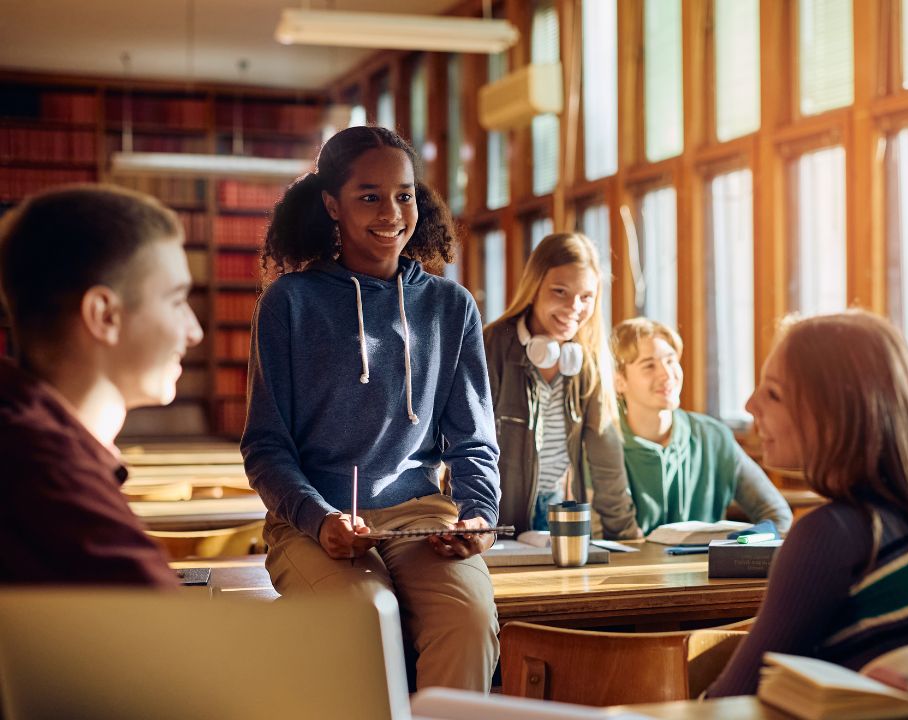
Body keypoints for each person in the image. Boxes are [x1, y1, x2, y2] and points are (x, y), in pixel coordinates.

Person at [241, 126, 500, 691]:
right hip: (314, 522)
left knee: (469, 618)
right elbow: (265, 446)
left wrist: (479, 515)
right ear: (331, 204)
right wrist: (319, 518)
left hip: (422, 519)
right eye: (369, 196)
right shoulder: (289, 302)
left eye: (404, 195)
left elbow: (473, 439)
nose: (391, 213)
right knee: (366, 614)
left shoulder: (451, 306)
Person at [706, 311, 908, 697]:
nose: (750, 405)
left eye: (773, 393)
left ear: (835, 413)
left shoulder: (833, 535)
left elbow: (730, 702)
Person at [0, 185, 204, 586]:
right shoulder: (49, 476)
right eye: (176, 301)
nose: (194, 331)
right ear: (104, 315)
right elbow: (164, 621)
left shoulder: (24, 433)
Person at [484, 233, 640, 539]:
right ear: (534, 287)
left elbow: (606, 459)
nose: (574, 307)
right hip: (492, 515)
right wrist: (473, 520)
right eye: (560, 291)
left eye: (586, 297)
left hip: (556, 514)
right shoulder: (490, 346)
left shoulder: (589, 360)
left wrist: (626, 535)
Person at [609, 317, 791, 535]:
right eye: (649, 365)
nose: (667, 374)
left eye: (670, 361)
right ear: (619, 381)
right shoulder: (602, 444)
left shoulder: (713, 437)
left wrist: (741, 545)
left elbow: (777, 514)